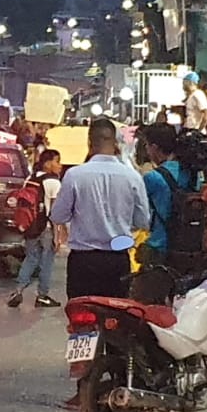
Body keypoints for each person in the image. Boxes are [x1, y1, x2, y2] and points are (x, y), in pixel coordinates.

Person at [50, 119, 150, 300]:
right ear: (115, 143)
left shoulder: (74, 175)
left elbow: (58, 215)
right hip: (118, 260)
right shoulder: (132, 177)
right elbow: (143, 221)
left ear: (90, 142)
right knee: (116, 317)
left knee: (81, 317)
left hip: (83, 261)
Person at [8, 149, 63, 308]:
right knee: (47, 262)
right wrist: (58, 235)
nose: (59, 165)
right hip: (45, 228)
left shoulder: (30, 179)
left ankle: (18, 290)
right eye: (57, 161)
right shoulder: (53, 182)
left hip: (30, 226)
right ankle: (43, 296)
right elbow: (55, 211)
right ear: (47, 163)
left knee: (31, 258)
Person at [138, 123, 189, 266]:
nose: (147, 150)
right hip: (189, 245)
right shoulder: (191, 173)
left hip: (159, 246)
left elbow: (139, 212)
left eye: (147, 146)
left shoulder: (153, 177)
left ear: (154, 147)